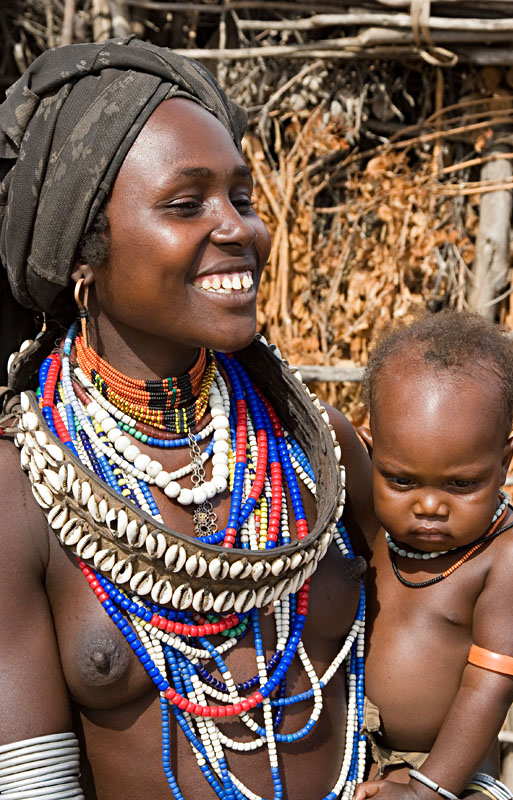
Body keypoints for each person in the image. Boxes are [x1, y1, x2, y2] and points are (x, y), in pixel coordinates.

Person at [0, 37, 379, 800]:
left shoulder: (322, 454)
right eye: (185, 204)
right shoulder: (20, 496)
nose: (239, 227)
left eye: (240, 197)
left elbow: (434, 649)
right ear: (82, 252)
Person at [354, 312, 513, 800]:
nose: (429, 505)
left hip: (455, 777)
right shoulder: (373, 525)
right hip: (359, 759)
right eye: (402, 480)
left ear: (506, 461)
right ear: (372, 453)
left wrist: (425, 790)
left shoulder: (509, 556)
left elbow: (488, 689)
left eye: (461, 484)